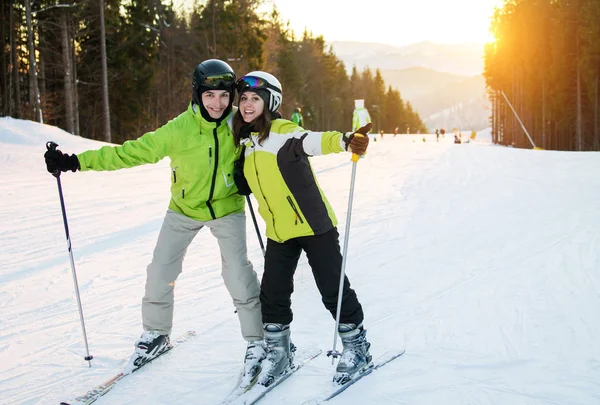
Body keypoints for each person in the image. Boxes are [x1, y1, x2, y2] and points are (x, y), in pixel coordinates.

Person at [43, 59, 265, 383]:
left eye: (223, 96)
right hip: (184, 208)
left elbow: (276, 144)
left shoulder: (239, 123)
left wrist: (249, 174)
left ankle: (258, 342)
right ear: (197, 95)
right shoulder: (178, 130)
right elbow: (129, 152)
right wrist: (74, 161)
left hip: (227, 207)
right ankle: (157, 333)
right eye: (209, 96)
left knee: (237, 272)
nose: (217, 103)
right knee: (161, 269)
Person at [232, 71, 372, 386]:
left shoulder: (282, 131)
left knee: (332, 289)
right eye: (244, 99)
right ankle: (279, 354)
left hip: (313, 226)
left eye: (256, 98)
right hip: (280, 233)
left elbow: (313, 140)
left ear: (271, 102)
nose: (248, 104)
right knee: (273, 294)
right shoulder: (245, 141)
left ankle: (357, 349)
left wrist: (345, 140)